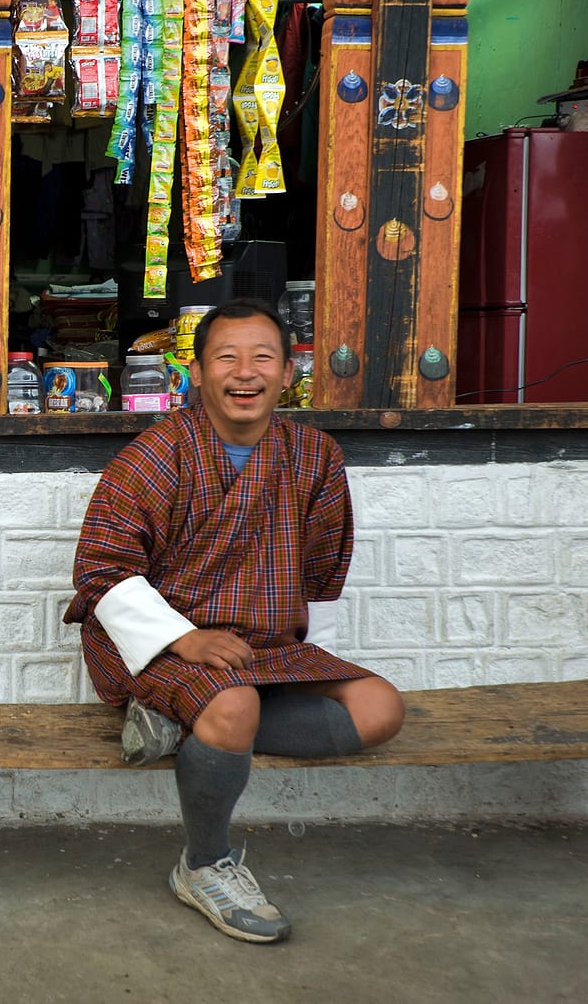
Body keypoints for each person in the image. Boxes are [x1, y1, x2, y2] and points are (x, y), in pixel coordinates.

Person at [63, 297, 404, 944]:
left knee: (380, 707)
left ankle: (187, 725)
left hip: (262, 640)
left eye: (262, 358)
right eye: (227, 357)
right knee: (234, 705)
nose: (244, 373)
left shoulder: (314, 457)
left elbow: (320, 571)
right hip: (160, 641)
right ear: (195, 371)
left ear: (287, 372)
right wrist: (184, 638)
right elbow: (101, 573)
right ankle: (204, 863)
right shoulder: (157, 454)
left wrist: (313, 664)